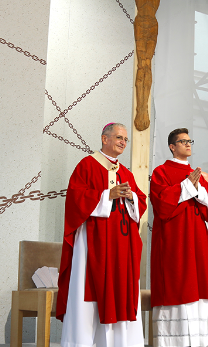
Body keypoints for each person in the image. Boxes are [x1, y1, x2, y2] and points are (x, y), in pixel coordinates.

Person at [64, 0, 208, 131]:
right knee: (142, 64)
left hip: (153, 22)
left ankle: (144, 108)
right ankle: (141, 109)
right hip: (142, 21)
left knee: (147, 65)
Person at [57, 123, 147, 347]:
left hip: (121, 243)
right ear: (104, 139)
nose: (123, 142)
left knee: (121, 288)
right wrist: (108, 195)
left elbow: (141, 201)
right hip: (93, 241)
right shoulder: (87, 165)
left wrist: (130, 198)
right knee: (89, 290)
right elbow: (75, 199)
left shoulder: (125, 172)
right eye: (118, 137)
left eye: (125, 139)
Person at [149, 128, 208, 347]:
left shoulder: (197, 174)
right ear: (172, 146)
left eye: (189, 140)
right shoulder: (161, 172)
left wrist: (199, 188)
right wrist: (187, 186)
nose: (187, 144)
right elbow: (162, 203)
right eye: (182, 141)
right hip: (174, 241)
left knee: (198, 288)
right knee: (177, 286)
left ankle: (198, 342)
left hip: (197, 240)